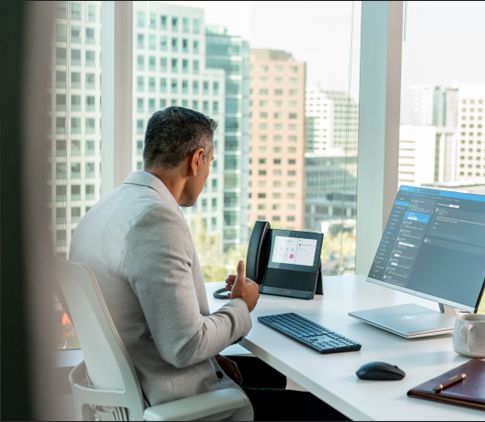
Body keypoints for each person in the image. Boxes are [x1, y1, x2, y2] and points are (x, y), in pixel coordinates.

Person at [69, 107, 347, 421]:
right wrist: (241, 305)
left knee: (271, 374)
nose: (208, 171)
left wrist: (213, 358)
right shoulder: (155, 219)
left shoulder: (105, 209)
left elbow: (145, 319)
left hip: (139, 383)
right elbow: (185, 345)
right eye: (210, 163)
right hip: (170, 400)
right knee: (334, 409)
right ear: (197, 159)